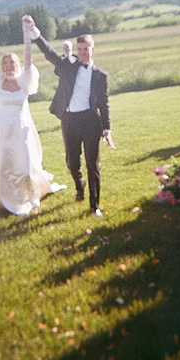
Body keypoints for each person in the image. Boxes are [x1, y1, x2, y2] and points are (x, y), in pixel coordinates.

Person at [0, 21, 65, 216]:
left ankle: (32, 197)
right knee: (5, 164)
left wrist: (25, 31)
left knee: (25, 163)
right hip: (2, 129)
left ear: (18, 65)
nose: (8, 66)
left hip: (22, 129)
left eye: (12, 62)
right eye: (5, 63)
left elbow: (28, 56)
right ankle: (6, 198)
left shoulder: (23, 80)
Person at [26, 15, 115, 217]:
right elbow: (50, 54)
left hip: (91, 121)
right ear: (77, 49)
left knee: (93, 164)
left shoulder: (101, 75)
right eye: (80, 49)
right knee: (72, 162)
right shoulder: (68, 66)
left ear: (93, 49)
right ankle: (79, 183)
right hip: (69, 120)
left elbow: (104, 103)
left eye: (86, 49)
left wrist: (107, 129)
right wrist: (34, 32)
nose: (83, 53)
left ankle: (94, 206)